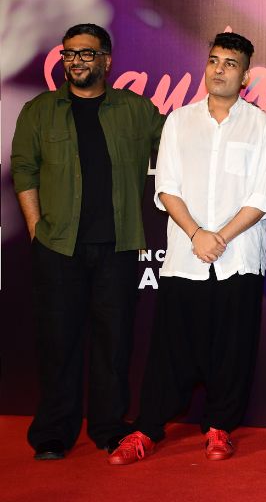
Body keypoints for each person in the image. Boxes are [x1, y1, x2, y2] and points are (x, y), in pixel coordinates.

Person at [107, 32, 266, 464]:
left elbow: (264, 196)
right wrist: (197, 234)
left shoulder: (260, 125)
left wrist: (219, 237)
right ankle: (147, 429)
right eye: (214, 60)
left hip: (238, 258)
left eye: (230, 64)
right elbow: (166, 187)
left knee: (233, 350)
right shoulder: (179, 121)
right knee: (170, 352)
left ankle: (220, 428)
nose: (219, 69)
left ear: (245, 76)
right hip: (186, 259)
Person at [10, 23, 164, 459]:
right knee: (58, 342)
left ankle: (109, 426)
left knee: (113, 343)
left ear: (106, 60)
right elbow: (24, 169)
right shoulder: (40, 110)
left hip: (118, 246)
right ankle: (54, 432)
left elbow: (180, 145)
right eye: (69, 54)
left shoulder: (136, 109)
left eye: (86, 53)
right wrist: (36, 228)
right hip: (58, 247)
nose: (76, 61)